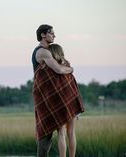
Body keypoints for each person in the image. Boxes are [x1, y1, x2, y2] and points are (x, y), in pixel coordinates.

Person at [32, 24, 84, 157]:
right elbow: (59, 70)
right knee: (64, 132)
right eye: (51, 33)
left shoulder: (51, 51)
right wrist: (71, 69)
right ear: (43, 35)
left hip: (57, 97)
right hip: (49, 97)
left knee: (61, 132)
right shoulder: (43, 52)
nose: (54, 35)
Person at [49, 43, 84, 157]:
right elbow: (72, 84)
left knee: (61, 134)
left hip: (59, 103)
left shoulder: (51, 66)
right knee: (71, 132)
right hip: (72, 100)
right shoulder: (68, 65)